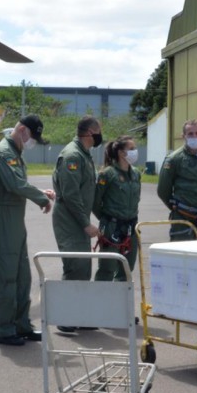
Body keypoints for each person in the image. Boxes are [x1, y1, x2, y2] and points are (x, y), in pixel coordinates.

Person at [0, 114, 55, 346]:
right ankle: (5, 329)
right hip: (3, 218)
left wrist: (39, 193)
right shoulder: (3, 153)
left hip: (14, 218)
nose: (32, 141)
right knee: (6, 275)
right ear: (22, 130)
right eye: (32, 136)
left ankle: (21, 325)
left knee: (22, 276)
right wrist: (41, 199)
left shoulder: (14, 153)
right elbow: (14, 184)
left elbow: (18, 184)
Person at [52, 115, 101, 333]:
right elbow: (71, 195)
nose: (100, 135)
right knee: (74, 268)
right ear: (91, 132)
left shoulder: (84, 154)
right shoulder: (72, 155)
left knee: (83, 268)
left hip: (78, 219)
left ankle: (80, 315)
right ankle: (66, 317)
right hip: (70, 221)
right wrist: (85, 223)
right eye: (99, 131)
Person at [157, 119, 197, 241]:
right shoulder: (174, 159)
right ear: (183, 136)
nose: (194, 136)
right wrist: (177, 208)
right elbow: (163, 190)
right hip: (182, 217)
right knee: (182, 255)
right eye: (190, 134)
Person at [93, 136, 141, 282]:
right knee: (107, 269)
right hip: (111, 228)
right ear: (121, 153)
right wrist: (107, 220)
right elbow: (95, 202)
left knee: (126, 269)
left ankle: (120, 303)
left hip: (131, 228)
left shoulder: (136, 173)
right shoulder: (107, 174)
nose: (135, 152)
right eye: (131, 149)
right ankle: (100, 302)